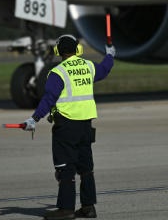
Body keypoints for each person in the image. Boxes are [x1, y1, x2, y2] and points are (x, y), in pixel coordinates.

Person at [21, 34, 115, 220]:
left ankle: (66, 209)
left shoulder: (58, 72)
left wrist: (34, 119)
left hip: (66, 126)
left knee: (65, 168)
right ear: (77, 50)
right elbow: (104, 69)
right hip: (86, 126)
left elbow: (49, 99)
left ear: (58, 51)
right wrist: (110, 55)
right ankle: (88, 208)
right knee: (86, 168)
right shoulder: (88, 66)